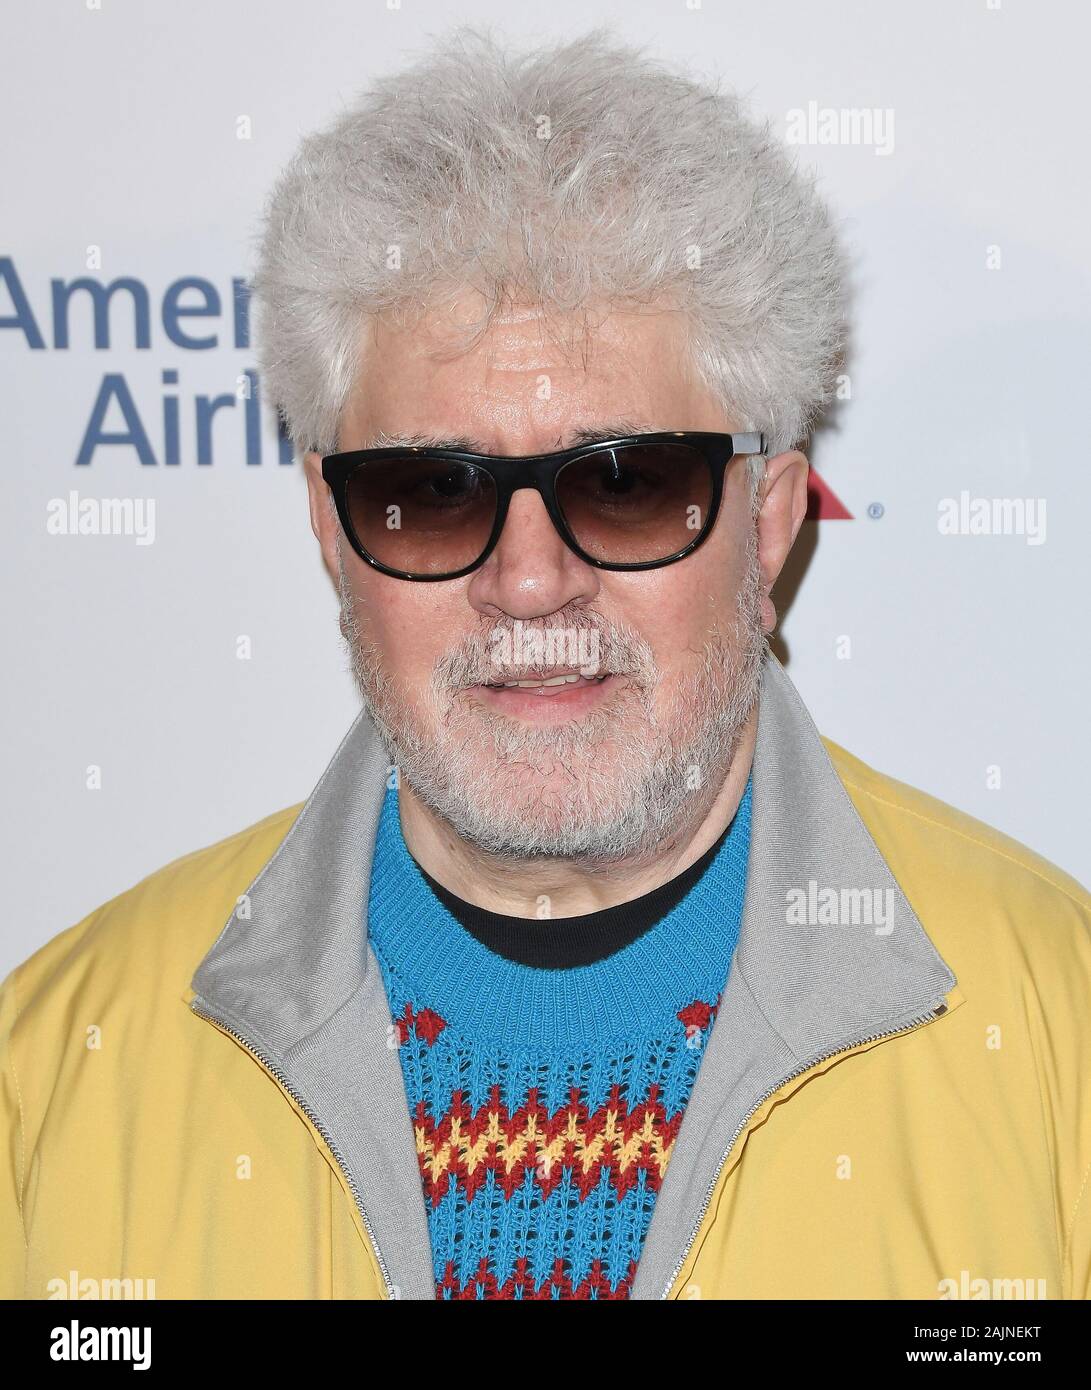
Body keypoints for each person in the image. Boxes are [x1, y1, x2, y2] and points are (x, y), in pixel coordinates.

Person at [3, 27, 1088, 1302]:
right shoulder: (58, 1073)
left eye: (625, 484)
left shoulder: (1055, 1036)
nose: (527, 581)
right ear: (329, 528)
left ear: (773, 521)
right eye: (432, 488)